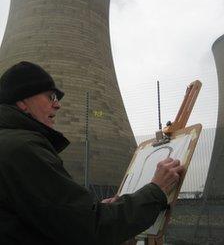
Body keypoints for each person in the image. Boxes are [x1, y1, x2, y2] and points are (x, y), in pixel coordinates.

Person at [0, 61, 184, 245]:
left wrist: (89, 210)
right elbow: (88, 229)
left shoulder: (10, 144)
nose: (58, 105)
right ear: (22, 101)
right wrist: (156, 190)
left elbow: (46, 219)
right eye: (51, 97)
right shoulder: (22, 150)